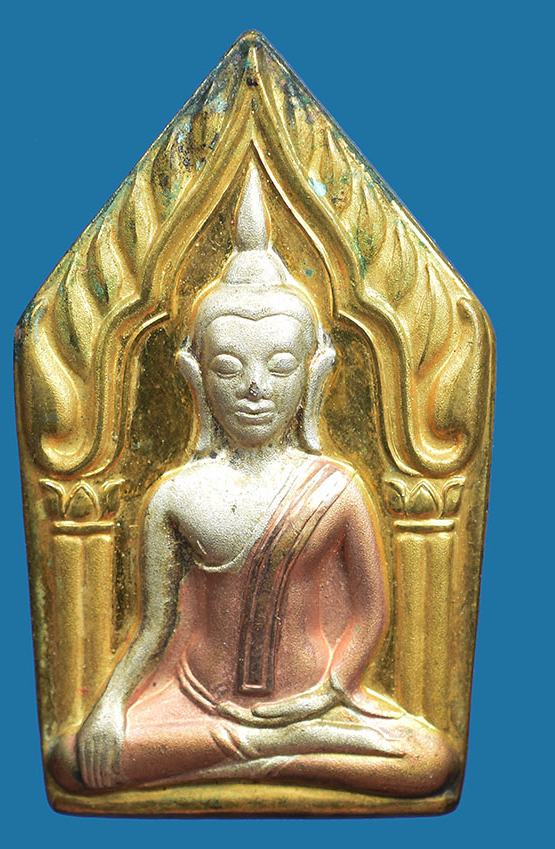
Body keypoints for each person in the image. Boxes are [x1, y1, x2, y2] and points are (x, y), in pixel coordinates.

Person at [50, 166, 457, 797]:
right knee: (72, 756)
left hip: (312, 706)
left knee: (430, 758)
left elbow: (371, 612)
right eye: (229, 367)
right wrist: (107, 705)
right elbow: (153, 628)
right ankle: (273, 753)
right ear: (197, 380)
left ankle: (263, 752)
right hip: (197, 703)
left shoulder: (338, 487)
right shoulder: (177, 494)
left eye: (281, 365)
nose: (255, 388)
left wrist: (327, 692)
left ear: (314, 377)